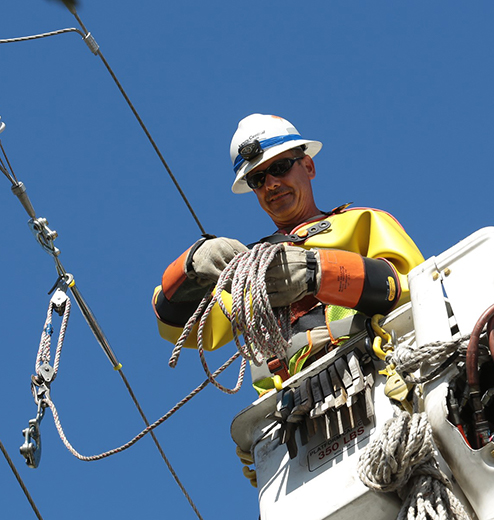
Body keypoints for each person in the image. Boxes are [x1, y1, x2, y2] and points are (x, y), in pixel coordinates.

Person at [152, 114, 425, 392]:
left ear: (308, 166)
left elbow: (412, 287)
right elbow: (178, 327)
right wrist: (192, 264)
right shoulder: (249, 271)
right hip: (293, 413)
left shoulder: (362, 223)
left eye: (280, 167)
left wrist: (318, 272)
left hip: (377, 375)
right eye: (258, 179)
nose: (271, 184)